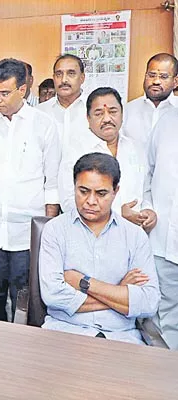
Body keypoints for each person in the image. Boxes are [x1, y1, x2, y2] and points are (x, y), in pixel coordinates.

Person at [0, 58, 61, 321]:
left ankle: (23, 353)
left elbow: (51, 185)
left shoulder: (44, 126)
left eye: (5, 93)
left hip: (26, 236)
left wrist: (47, 234)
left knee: (25, 300)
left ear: (23, 90)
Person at [39, 153, 159, 344]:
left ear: (115, 191)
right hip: (63, 333)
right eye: (83, 191)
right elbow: (53, 296)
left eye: (101, 193)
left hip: (121, 338)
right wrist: (120, 293)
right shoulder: (55, 230)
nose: (91, 201)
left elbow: (149, 302)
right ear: (74, 187)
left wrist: (83, 282)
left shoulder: (135, 236)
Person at [58, 87, 155, 230]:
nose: (107, 119)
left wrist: (148, 210)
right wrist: (117, 214)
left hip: (134, 235)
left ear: (122, 114)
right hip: (91, 235)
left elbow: (146, 189)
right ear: (88, 118)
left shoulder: (135, 147)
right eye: (99, 113)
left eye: (113, 111)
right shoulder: (76, 151)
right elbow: (68, 202)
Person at [145, 108, 178, 349]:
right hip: (163, 240)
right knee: (163, 319)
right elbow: (148, 172)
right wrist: (148, 207)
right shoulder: (167, 121)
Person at [38, 54, 93, 161]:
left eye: (71, 73)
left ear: (82, 78)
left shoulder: (94, 110)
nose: (64, 80)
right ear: (54, 78)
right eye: (59, 74)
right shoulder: (40, 112)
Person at [122, 53, 178, 151]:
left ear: (176, 82)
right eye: (152, 75)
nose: (156, 81)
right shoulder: (127, 110)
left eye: (163, 77)